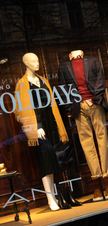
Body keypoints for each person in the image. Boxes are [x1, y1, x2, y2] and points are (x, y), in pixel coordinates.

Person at [15, 53, 70, 211]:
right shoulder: (22, 84)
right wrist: (35, 126)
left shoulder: (43, 81)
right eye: (33, 61)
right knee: (45, 162)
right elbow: (20, 111)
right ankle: (49, 199)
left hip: (51, 124)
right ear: (26, 63)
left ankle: (53, 196)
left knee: (52, 162)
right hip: (38, 129)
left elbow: (52, 103)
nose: (37, 63)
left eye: (38, 60)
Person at [58, 50, 108, 201]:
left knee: (102, 138)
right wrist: (70, 108)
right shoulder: (64, 66)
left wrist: (94, 99)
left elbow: (100, 80)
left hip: (94, 103)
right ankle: (97, 178)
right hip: (78, 107)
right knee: (86, 142)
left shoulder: (93, 60)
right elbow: (63, 89)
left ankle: (107, 177)